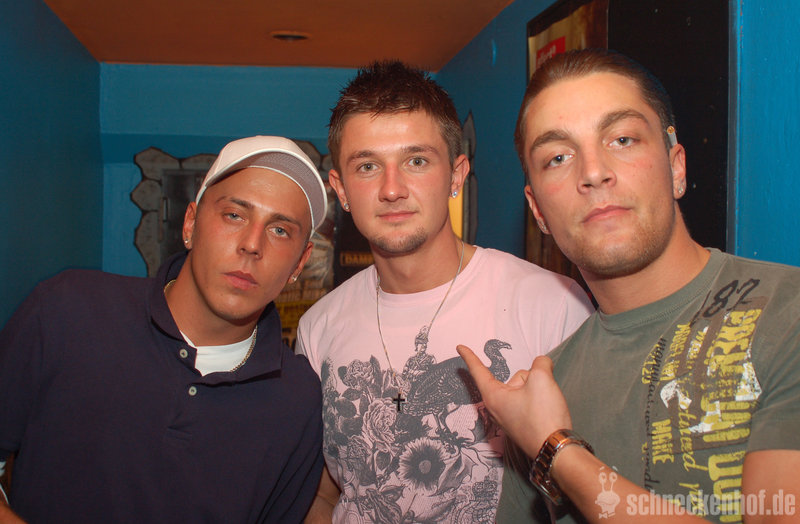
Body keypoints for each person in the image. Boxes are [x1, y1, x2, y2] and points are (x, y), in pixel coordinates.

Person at [458, 49, 800, 523]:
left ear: (676, 167)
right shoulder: (540, 394)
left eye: (622, 139)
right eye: (558, 157)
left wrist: (557, 450)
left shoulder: (786, 312)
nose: (593, 172)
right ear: (538, 212)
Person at [296, 60, 594, 523]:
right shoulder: (318, 326)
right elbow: (322, 495)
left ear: (456, 175)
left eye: (416, 161)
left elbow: (593, 483)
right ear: (341, 189)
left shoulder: (552, 304)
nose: (392, 189)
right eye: (368, 166)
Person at [0, 136, 328, 523]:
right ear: (190, 223)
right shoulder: (68, 309)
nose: (252, 244)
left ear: (299, 264)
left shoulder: (298, 401)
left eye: (280, 230)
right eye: (234, 215)